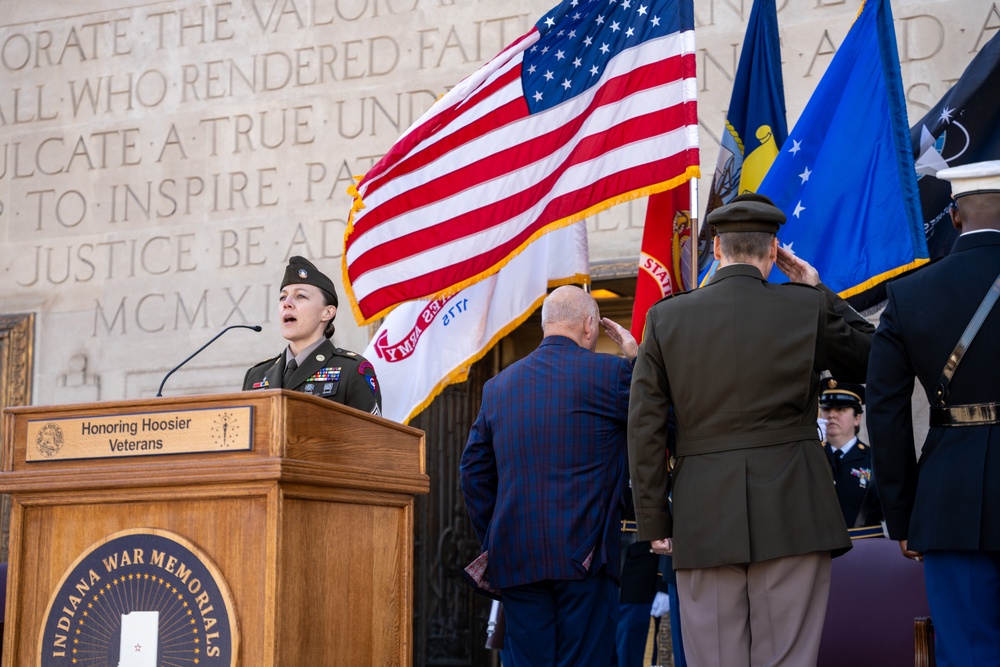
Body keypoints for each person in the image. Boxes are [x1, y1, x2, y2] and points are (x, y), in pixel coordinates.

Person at [628, 193, 873, 667]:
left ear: (716, 250)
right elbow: (878, 357)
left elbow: (645, 427)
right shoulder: (805, 307)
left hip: (703, 518)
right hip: (794, 513)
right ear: (774, 250)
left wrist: (654, 520)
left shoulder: (665, 318)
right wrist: (817, 289)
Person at [460, 285, 637, 666]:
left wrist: (497, 533)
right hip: (586, 557)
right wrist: (638, 359)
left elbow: (472, 472)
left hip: (517, 557)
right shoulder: (613, 373)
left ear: (546, 325)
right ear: (590, 324)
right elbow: (666, 424)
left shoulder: (498, 387)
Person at [867, 160, 1000, 667]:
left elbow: (885, 411)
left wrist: (902, 515)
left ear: (955, 216)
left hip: (950, 502)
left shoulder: (908, 293)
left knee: (967, 656)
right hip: (954, 504)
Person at [243, 256, 382, 415]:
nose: (286, 303)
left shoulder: (353, 370)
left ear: (327, 312)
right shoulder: (256, 375)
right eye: (282, 297)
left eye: (300, 296)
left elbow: (371, 438)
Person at [819, 378, 882, 528]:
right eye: (826, 409)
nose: (832, 415)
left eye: (841, 410)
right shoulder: (811, 457)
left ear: (857, 418)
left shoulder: (874, 460)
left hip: (863, 546)